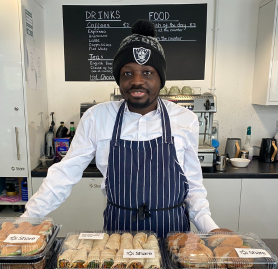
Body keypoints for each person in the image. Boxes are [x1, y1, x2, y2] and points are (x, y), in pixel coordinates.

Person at [22, 19, 225, 237]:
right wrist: (28, 220)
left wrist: (211, 229)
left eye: (147, 72)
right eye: (128, 73)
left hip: (173, 235)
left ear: (161, 79)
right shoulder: (97, 117)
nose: (137, 81)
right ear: (119, 78)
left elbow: (192, 186)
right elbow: (64, 174)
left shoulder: (185, 119)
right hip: (118, 238)